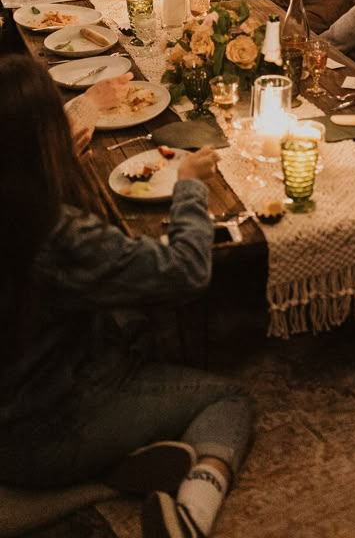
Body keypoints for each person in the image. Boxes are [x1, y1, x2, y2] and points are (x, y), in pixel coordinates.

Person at [0, 56, 254, 538]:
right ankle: (191, 514)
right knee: (229, 398)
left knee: (129, 324)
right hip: (39, 430)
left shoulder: (22, 206)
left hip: (14, 401)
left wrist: (65, 175)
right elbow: (187, 272)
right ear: (45, 136)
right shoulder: (55, 233)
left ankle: (121, 465)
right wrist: (188, 190)